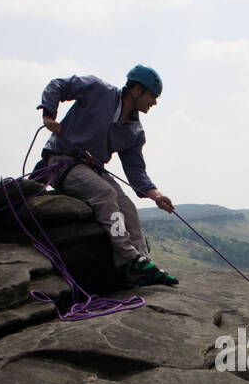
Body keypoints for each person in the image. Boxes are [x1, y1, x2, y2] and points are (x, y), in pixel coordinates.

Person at [34, 65, 178, 287]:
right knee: (104, 193)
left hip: (92, 168)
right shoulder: (98, 90)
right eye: (152, 96)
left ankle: (142, 263)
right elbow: (59, 85)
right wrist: (49, 114)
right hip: (61, 161)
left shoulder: (134, 131)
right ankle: (128, 257)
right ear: (137, 89)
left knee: (128, 207)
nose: (154, 102)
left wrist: (156, 196)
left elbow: (136, 171)